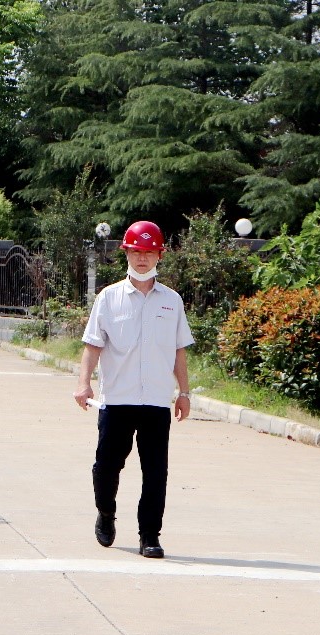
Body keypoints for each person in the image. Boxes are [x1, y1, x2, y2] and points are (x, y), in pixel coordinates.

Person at [74, 220, 193, 558]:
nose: (143, 259)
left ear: (159, 255)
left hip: (156, 401)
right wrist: (84, 383)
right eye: (137, 251)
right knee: (106, 467)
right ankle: (106, 512)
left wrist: (184, 393)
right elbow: (93, 345)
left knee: (155, 473)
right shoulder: (109, 298)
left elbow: (179, 351)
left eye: (149, 252)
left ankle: (149, 536)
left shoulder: (172, 301)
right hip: (117, 400)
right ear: (126, 253)